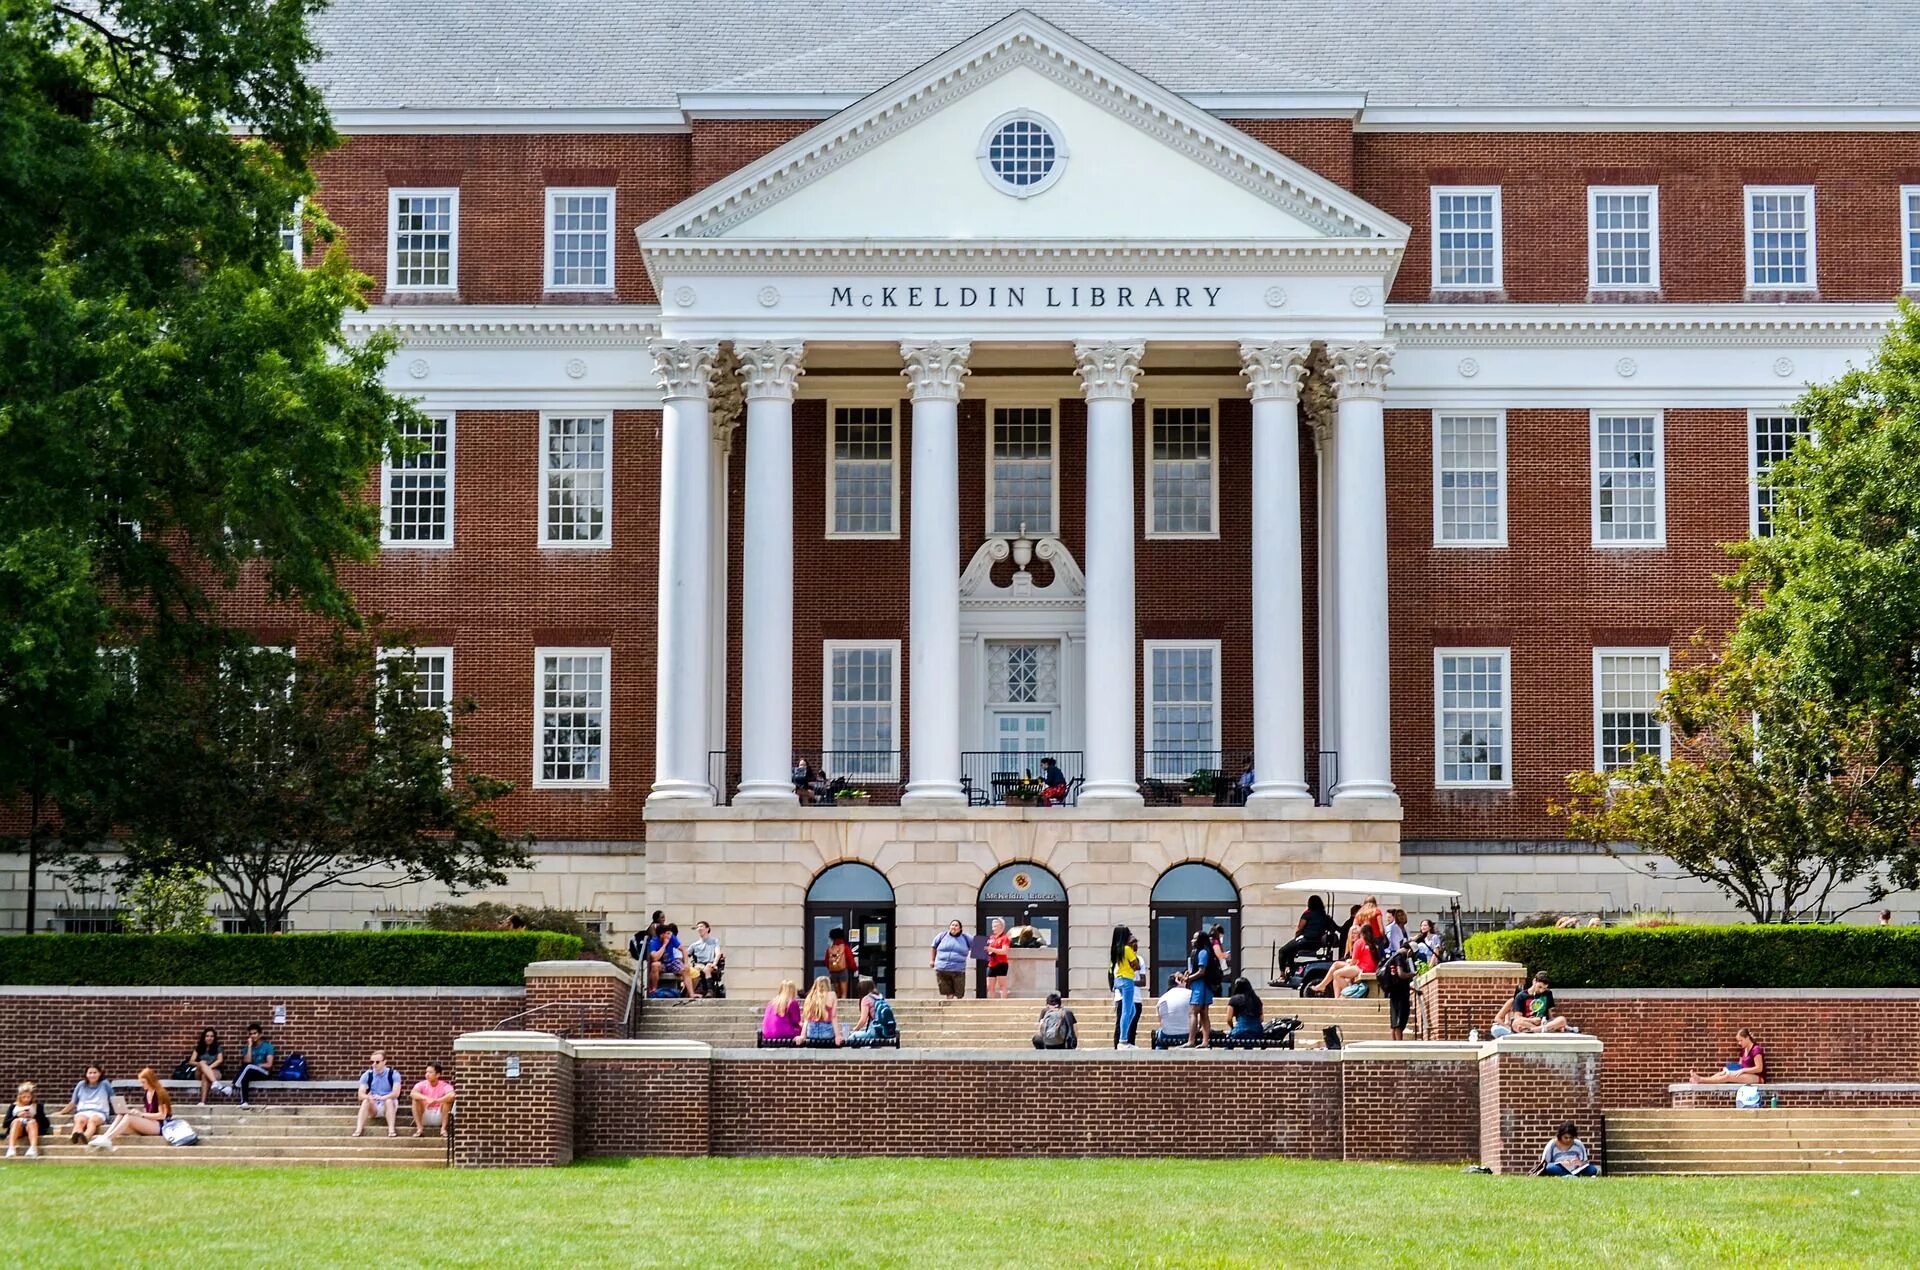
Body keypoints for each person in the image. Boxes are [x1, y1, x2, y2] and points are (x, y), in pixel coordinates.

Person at [88, 1067, 170, 1151]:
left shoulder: (160, 1093)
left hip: (160, 1125)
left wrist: (141, 1115)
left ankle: (107, 1139)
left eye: (143, 1082)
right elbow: (149, 1112)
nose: (142, 1085)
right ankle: (105, 1137)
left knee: (128, 1118)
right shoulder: (147, 1093)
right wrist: (135, 1113)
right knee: (121, 1116)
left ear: (150, 1080)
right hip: (151, 1123)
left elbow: (162, 1115)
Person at [1307, 923, 1376, 998]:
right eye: (1352, 933)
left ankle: (1350, 994)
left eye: (1355, 933)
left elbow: (1354, 961)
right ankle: (1337, 999)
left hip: (1362, 968)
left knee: (1336, 973)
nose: (1353, 935)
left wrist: (1347, 966)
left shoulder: (1359, 943)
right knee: (1336, 970)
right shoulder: (1371, 942)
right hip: (1365, 966)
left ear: (1361, 933)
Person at [216, 1023, 276, 1109]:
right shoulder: (247, 1048)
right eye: (250, 1034)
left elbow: (269, 1064)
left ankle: (232, 1088)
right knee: (245, 1074)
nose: (252, 1036)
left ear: (260, 1034)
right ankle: (244, 1102)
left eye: (254, 1033)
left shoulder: (268, 1047)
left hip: (264, 1073)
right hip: (251, 1071)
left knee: (248, 1067)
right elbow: (247, 1061)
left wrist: (257, 1065)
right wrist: (249, 1046)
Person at [1180, 928, 1223, 1046]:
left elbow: (1201, 972)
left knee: (1193, 1012)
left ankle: (1191, 1040)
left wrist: (1189, 978)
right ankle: (1204, 1041)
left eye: (1195, 938)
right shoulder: (1200, 952)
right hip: (1203, 986)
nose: (1192, 940)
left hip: (1201, 986)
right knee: (1204, 1013)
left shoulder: (1202, 952)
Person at [1492, 974, 1571, 1036]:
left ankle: (1536, 1030)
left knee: (1562, 1019)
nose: (1541, 990)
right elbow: (1516, 1017)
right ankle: (1542, 1030)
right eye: (1539, 987)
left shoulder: (1548, 993)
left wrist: (1553, 1023)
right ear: (1534, 981)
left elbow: (1550, 1014)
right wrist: (1531, 1020)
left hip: (1542, 1023)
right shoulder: (1520, 997)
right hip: (1528, 1023)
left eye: (1544, 988)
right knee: (1516, 1023)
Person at [1275, 895, 1340, 967]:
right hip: (1317, 944)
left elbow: (1299, 929)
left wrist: (1296, 938)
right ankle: (1291, 968)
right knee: (1291, 950)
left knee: (1282, 951)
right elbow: (1335, 928)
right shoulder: (1326, 917)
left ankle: (1283, 974)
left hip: (1305, 941)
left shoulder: (1307, 914)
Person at [354, 1050, 405, 1138]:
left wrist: (382, 1097)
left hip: (389, 1104)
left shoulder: (393, 1074)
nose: (374, 1064)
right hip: (374, 1105)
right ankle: (358, 1129)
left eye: (377, 1062)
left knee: (388, 1101)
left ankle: (391, 1130)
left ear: (384, 1062)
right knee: (366, 1101)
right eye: (372, 1062)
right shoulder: (367, 1075)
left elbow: (396, 1093)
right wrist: (369, 1097)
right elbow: (360, 1094)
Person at [1690, 1027, 1766, 1085]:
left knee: (1728, 1076)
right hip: (1744, 1074)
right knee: (1722, 1073)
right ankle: (1702, 1081)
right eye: (1738, 1041)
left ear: (1747, 1038)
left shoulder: (1756, 1049)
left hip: (1757, 1077)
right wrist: (1728, 1069)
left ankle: (1700, 1079)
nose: (1739, 1043)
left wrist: (1743, 1070)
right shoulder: (1743, 1050)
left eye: (1741, 1040)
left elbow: (1759, 1068)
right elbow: (1739, 1066)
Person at [59, 1066, 114, 1145]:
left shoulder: (105, 1084)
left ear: (100, 1074)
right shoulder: (81, 1085)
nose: (92, 1075)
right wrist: (61, 1112)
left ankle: (86, 1136)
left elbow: (113, 1098)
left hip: (99, 1112)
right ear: (86, 1075)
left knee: (92, 1121)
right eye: (90, 1073)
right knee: (79, 1121)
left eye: (95, 1073)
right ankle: (76, 1135)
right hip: (83, 1111)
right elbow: (73, 1102)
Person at [1109, 925, 1142, 1050]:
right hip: (1127, 980)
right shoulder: (1127, 949)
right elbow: (1137, 966)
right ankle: (1123, 1040)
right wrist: (1133, 949)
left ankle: (1125, 1037)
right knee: (1127, 1011)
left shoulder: (1116, 949)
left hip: (1118, 980)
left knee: (1132, 1010)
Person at [1379, 941, 1417, 1040]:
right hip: (1399, 994)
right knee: (1399, 1021)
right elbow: (1401, 974)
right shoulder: (1400, 958)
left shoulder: (1394, 957)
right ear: (1409, 950)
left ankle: (1394, 1042)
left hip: (1394, 992)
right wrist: (1412, 974)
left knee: (1395, 1021)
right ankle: (1399, 1042)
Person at [410, 1063, 457, 1137]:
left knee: (447, 1101)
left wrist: (437, 1101)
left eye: (430, 1072)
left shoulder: (444, 1085)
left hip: (440, 1115)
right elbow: (412, 1093)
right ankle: (419, 1129)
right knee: (415, 1100)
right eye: (426, 1072)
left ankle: (443, 1129)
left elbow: (452, 1095)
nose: (427, 1074)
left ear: (438, 1075)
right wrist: (426, 1098)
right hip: (424, 1114)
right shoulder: (422, 1084)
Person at [5, 1082, 50, 1158]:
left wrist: (34, 1116)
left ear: (32, 1097)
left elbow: (46, 1124)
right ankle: (11, 1148)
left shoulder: (37, 1106)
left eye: (28, 1097)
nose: (26, 1099)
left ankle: (33, 1148)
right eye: (24, 1097)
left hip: (31, 1128)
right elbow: (5, 1124)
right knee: (16, 1121)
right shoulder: (13, 1106)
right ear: (19, 1097)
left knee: (31, 1122)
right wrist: (17, 1116)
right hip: (18, 1129)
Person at [930, 919, 971, 999]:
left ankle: (956, 1009)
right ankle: (949, 1007)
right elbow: (933, 947)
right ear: (949, 927)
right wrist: (932, 960)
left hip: (958, 969)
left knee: (959, 993)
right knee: (948, 992)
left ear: (960, 928)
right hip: (942, 968)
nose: (954, 927)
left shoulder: (966, 938)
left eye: (956, 925)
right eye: (952, 925)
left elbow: (979, 946)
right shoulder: (942, 936)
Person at [685, 920, 726, 998]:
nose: (699, 929)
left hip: (710, 963)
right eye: (698, 927)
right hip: (698, 965)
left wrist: (714, 963)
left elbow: (718, 953)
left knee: (707, 967)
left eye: (701, 926)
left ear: (707, 929)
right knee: (694, 969)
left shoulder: (714, 941)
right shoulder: (695, 945)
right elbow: (686, 954)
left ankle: (710, 990)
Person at [186, 1027, 224, 1106]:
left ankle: (202, 1102)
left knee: (205, 1075)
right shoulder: (199, 1048)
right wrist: (201, 1065)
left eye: (211, 1036)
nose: (209, 1038)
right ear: (204, 1037)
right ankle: (215, 1083)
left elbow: (220, 1060)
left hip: (214, 1070)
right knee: (202, 1064)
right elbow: (191, 1061)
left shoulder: (218, 1048)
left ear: (214, 1038)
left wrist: (208, 1068)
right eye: (207, 1036)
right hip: (199, 1071)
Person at [800, 976, 842, 1046]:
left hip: (811, 1032)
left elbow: (806, 1019)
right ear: (828, 984)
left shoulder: (810, 996)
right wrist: (838, 1035)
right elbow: (833, 1017)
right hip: (827, 1033)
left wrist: (802, 1035)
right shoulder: (832, 995)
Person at [647, 922, 685, 996]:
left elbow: (683, 949)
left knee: (686, 969)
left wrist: (686, 963)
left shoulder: (671, 937)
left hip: (671, 962)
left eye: (670, 933)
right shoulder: (654, 942)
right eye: (667, 933)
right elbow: (655, 958)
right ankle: (654, 990)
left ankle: (689, 993)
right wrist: (664, 945)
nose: (669, 935)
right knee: (655, 965)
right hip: (661, 964)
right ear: (662, 935)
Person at [760, 980, 803, 1045]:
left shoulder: (771, 1002)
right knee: (804, 1031)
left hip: (767, 1034)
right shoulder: (792, 1002)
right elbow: (796, 1020)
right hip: (784, 1033)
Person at [1154, 980, 1193, 1047]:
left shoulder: (1162, 998)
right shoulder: (1191, 994)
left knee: (1159, 1034)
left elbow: (1160, 1020)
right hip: (1189, 1033)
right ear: (1179, 981)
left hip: (1167, 1034)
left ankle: (1159, 1055)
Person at [825, 926, 857, 998]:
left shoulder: (830, 948)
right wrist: (854, 969)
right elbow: (850, 960)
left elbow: (826, 961)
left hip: (833, 972)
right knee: (844, 992)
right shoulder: (845, 947)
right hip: (843, 970)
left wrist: (832, 967)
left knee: (836, 992)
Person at [984, 918, 1012, 999]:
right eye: (993, 926)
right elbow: (987, 949)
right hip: (991, 963)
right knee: (989, 986)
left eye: (996, 926)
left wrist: (993, 950)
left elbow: (1004, 951)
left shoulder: (1005, 938)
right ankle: (991, 1003)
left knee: (1002, 984)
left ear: (1001, 927)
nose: (993, 928)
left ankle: (1003, 1002)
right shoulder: (991, 938)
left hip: (1001, 963)